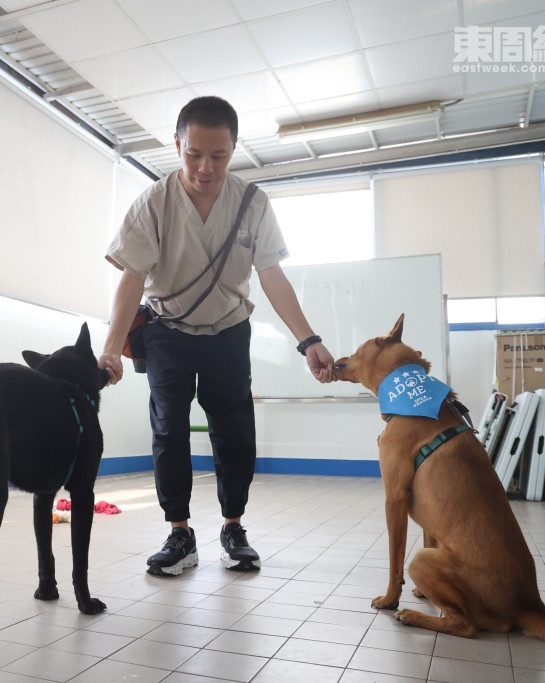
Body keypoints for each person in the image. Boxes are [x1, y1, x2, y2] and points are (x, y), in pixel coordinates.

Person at [98, 96, 337, 577]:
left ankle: (233, 527)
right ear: (178, 145)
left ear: (234, 149)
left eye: (219, 156)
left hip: (229, 332)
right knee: (169, 430)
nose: (205, 168)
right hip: (167, 332)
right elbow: (130, 278)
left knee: (235, 433)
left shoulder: (252, 203)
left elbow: (271, 276)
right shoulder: (154, 202)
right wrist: (110, 348)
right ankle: (179, 533)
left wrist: (308, 340)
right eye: (194, 154)